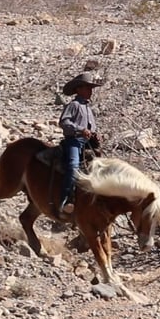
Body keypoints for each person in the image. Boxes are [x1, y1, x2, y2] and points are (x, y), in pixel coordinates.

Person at [57, 72, 102, 216]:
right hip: (74, 141)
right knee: (73, 166)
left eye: (91, 88)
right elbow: (64, 122)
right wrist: (80, 129)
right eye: (87, 88)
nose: (90, 91)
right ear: (78, 89)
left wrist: (95, 133)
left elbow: (91, 128)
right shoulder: (73, 105)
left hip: (88, 143)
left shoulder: (88, 108)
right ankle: (64, 200)